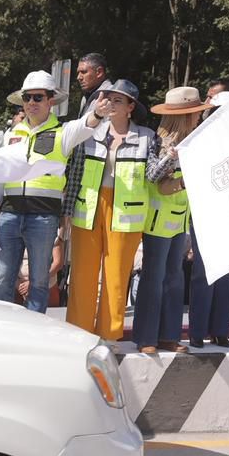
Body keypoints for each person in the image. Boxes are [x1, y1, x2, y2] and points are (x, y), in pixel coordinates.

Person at [0, 71, 109, 313]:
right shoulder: (11, 134)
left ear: (51, 101)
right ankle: (1, 331)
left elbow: (85, 125)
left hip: (43, 216)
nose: (31, 103)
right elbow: (1, 174)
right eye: (27, 97)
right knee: (2, 278)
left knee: (39, 281)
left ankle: (34, 337)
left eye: (38, 97)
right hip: (9, 214)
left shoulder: (63, 133)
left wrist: (98, 114)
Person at [64, 79, 158, 341]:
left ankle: (110, 335)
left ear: (131, 107)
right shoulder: (90, 132)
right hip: (90, 208)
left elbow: (152, 176)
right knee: (82, 275)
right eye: (109, 99)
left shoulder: (147, 137)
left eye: (119, 100)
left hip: (126, 215)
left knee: (116, 277)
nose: (112, 104)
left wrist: (171, 157)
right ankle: (78, 333)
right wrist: (68, 209)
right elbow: (76, 171)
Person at [135, 87, 211, 354]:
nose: (200, 118)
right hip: (156, 222)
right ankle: (146, 338)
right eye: (196, 114)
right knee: (153, 279)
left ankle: (169, 336)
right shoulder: (158, 142)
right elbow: (153, 177)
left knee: (175, 279)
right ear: (185, 116)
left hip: (180, 221)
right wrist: (172, 157)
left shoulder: (197, 143)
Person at [188, 82, 229, 348]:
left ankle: (220, 330)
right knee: (203, 273)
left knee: (228, 273)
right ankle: (197, 331)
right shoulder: (199, 140)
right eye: (217, 111)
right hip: (206, 211)